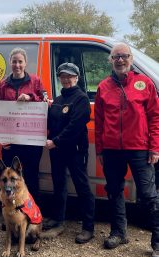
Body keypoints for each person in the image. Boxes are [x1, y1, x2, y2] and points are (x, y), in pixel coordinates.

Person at [95, 42, 159, 257]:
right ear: (111, 61)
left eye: (124, 56)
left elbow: (154, 117)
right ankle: (119, 232)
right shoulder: (103, 86)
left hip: (140, 148)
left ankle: (157, 243)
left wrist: (155, 147)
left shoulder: (145, 84)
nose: (120, 60)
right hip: (112, 149)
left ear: (131, 60)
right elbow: (100, 122)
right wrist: (100, 149)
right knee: (114, 191)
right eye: (116, 57)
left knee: (149, 195)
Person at [44, 62, 95, 243]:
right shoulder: (58, 100)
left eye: (70, 76)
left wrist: (55, 141)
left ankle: (88, 228)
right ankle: (58, 219)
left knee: (83, 187)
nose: (66, 79)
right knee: (59, 185)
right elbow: (52, 124)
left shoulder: (81, 99)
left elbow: (74, 127)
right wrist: (44, 109)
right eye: (63, 76)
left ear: (76, 78)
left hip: (74, 151)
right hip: (57, 151)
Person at [0, 47, 45, 202]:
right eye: (14, 61)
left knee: (31, 176)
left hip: (31, 140)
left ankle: (32, 214)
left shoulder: (35, 81)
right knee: (9, 179)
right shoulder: (3, 84)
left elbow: (44, 104)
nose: (17, 65)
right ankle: (10, 212)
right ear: (10, 62)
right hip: (11, 141)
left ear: (25, 63)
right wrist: (1, 138)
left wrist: (30, 97)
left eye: (20, 62)